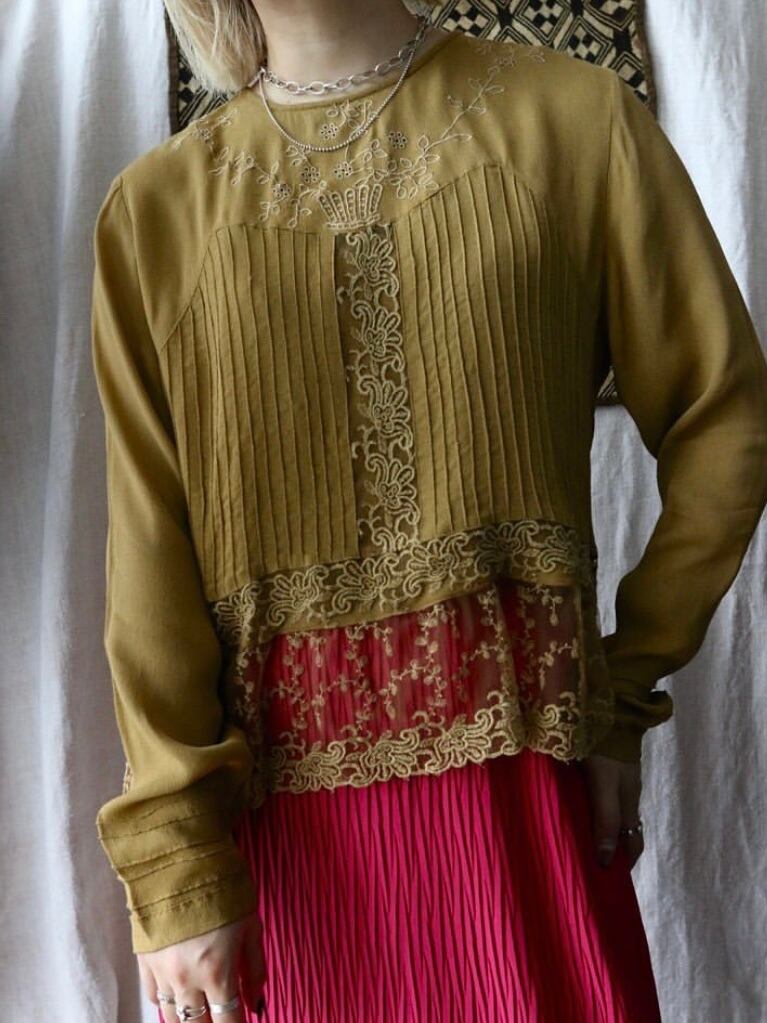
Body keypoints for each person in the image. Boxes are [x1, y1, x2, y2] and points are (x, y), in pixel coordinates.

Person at [89, 0, 767, 1020]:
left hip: (529, 811)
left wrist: (623, 685)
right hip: (281, 862)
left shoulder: (573, 122)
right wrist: (175, 858)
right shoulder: (156, 212)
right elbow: (150, 553)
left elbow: (724, 419)